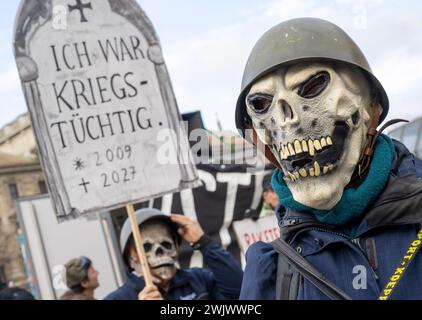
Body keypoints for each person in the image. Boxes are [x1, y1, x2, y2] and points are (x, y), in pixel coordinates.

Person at [235, 17, 422, 300]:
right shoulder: (270, 270)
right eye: (261, 105)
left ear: (371, 108)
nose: (287, 121)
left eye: (312, 87)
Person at [104, 208, 243, 300]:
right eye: (146, 247)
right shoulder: (119, 298)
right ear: (132, 255)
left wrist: (204, 243)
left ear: (176, 248)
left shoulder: (199, 280)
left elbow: (240, 291)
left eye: (166, 244)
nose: (159, 252)